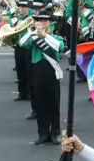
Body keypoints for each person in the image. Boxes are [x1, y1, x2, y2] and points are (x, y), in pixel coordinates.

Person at [19, 12, 66, 145]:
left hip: (52, 71)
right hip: (38, 71)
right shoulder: (33, 38)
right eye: (40, 20)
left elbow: (59, 47)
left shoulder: (56, 37)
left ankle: (55, 133)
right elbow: (21, 43)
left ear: (51, 23)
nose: (42, 23)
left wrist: (44, 35)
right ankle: (43, 133)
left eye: (45, 21)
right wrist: (31, 32)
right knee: (41, 104)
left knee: (54, 103)